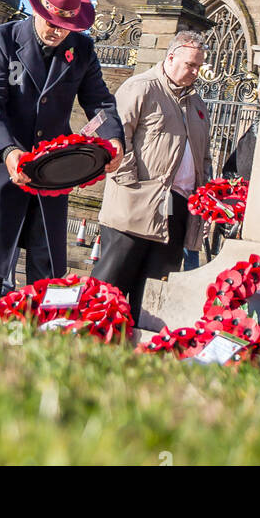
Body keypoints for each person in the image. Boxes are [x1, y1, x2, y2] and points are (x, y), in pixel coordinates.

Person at [0, 0, 124, 315]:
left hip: (51, 175)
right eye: (50, 21)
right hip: (1, 166)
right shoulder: (2, 39)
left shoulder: (82, 50)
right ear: (38, 8)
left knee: (46, 267)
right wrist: (8, 151)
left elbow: (99, 103)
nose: (56, 30)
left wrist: (112, 137)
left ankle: (38, 337)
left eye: (65, 25)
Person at [91, 29, 212, 324]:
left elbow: (204, 156)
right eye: (191, 65)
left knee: (153, 293)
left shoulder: (197, 105)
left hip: (177, 210)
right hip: (133, 207)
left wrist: (205, 194)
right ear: (171, 58)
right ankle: (87, 344)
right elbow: (115, 136)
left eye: (199, 66)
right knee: (111, 287)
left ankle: (135, 351)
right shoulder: (141, 87)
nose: (196, 72)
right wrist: (132, 182)